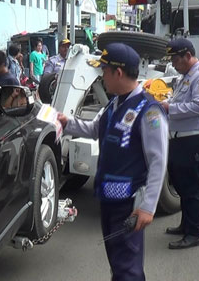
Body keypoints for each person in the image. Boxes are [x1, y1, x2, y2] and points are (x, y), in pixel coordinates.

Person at [57, 43, 168, 280]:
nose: (101, 76)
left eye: (104, 71)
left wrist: (148, 206)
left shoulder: (149, 111)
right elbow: (97, 128)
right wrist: (67, 122)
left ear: (118, 73)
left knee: (127, 267)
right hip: (108, 200)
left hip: (128, 204)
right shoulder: (114, 103)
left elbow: (158, 161)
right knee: (118, 264)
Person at [161, 38, 199, 249]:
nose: (173, 64)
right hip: (181, 140)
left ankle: (195, 233)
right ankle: (186, 225)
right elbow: (179, 100)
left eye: (176, 59)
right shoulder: (186, 77)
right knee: (183, 187)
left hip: (195, 140)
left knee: (193, 189)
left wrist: (169, 108)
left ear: (187, 56)